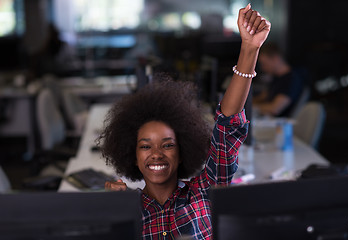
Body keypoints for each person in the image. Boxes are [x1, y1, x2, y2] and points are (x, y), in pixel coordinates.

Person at [100, 4, 270, 239]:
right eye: (145, 146)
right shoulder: (128, 210)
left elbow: (227, 125)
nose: (157, 154)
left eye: (168, 144)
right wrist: (109, 209)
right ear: (133, 156)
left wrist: (249, 49)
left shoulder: (204, 192)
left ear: (182, 152)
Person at [253, 42, 304, 117]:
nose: (263, 68)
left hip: (279, 124)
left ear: (275, 58)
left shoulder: (291, 80)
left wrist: (251, 107)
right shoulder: (277, 77)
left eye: (264, 64)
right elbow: (264, 95)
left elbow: (275, 109)